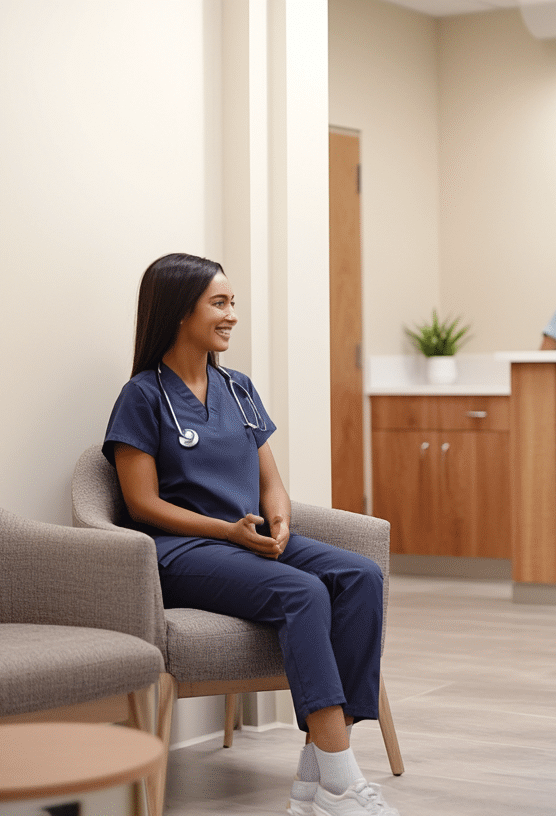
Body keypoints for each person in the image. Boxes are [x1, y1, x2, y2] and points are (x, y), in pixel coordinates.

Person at [102, 253, 399, 816]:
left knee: (361, 577)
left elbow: (271, 481)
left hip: (249, 537)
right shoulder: (142, 396)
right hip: (182, 552)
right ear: (178, 312)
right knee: (303, 592)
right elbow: (141, 503)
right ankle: (337, 781)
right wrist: (228, 532)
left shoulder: (237, 388)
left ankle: (319, 776)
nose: (231, 315)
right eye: (219, 303)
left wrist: (280, 519)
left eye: (232, 302)